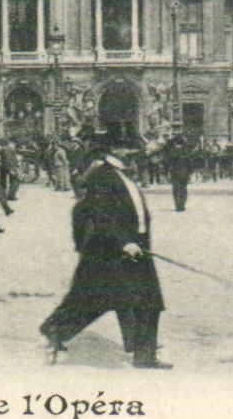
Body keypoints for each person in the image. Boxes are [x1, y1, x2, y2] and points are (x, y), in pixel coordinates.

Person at [40, 130, 170, 369]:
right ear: (116, 151)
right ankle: (55, 331)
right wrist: (124, 242)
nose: (136, 153)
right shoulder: (102, 176)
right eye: (131, 149)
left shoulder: (122, 174)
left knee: (147, 302)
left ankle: (144, 356)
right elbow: (102, 215)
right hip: (116, 251)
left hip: (136, 247)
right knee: (96, 301)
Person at [163, 135, 194, 212]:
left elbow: (167, 162)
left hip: (174, 172)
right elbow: (189, 162)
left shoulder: (171, 151)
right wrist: (190, 172)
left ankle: (177, 205)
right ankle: (182, 205)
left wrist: (166, 172)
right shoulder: (185, 150)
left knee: (176, 188)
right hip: (184, 172)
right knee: (183, 188)